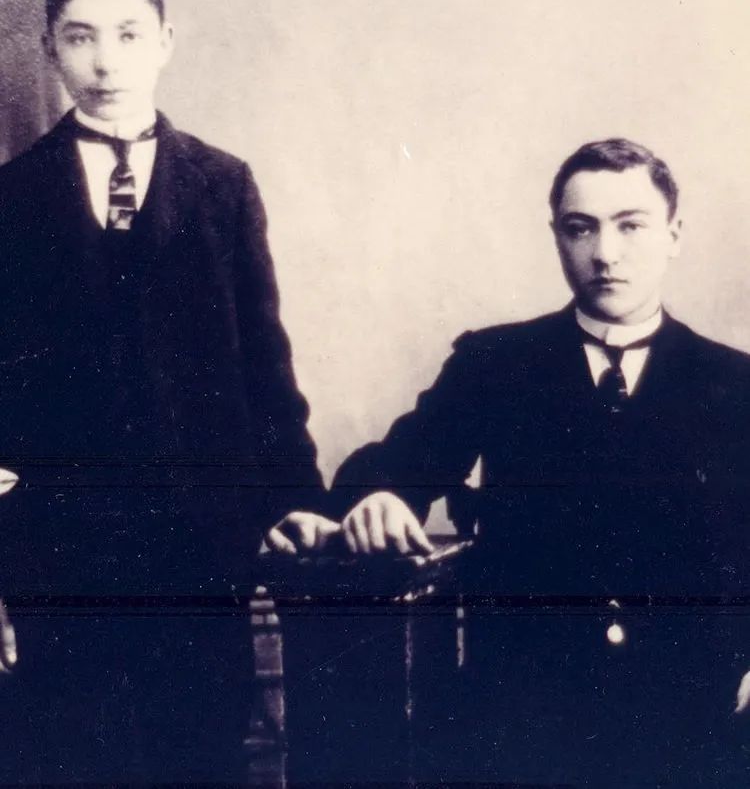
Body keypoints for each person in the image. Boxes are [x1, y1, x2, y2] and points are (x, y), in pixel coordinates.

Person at [281, 139, 750, 784]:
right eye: (580, 228)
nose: (604, 253)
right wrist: (379, 497)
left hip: (693, 720)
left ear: (673, 235)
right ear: (556, 235)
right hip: (523, 720)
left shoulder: (734, 383)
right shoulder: (496, 364)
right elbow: (400, 461)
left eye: (630, 226)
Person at [0, 0, 323, 782]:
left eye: (128, 34)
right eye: (80, 37)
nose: (106, 62)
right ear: (48, 48)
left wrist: (295, 502)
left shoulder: (222, 185)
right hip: (59, 564)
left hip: (200, 555)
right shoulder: (12, 199)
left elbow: (265, 368)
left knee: (201, 761)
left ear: (165, 41)